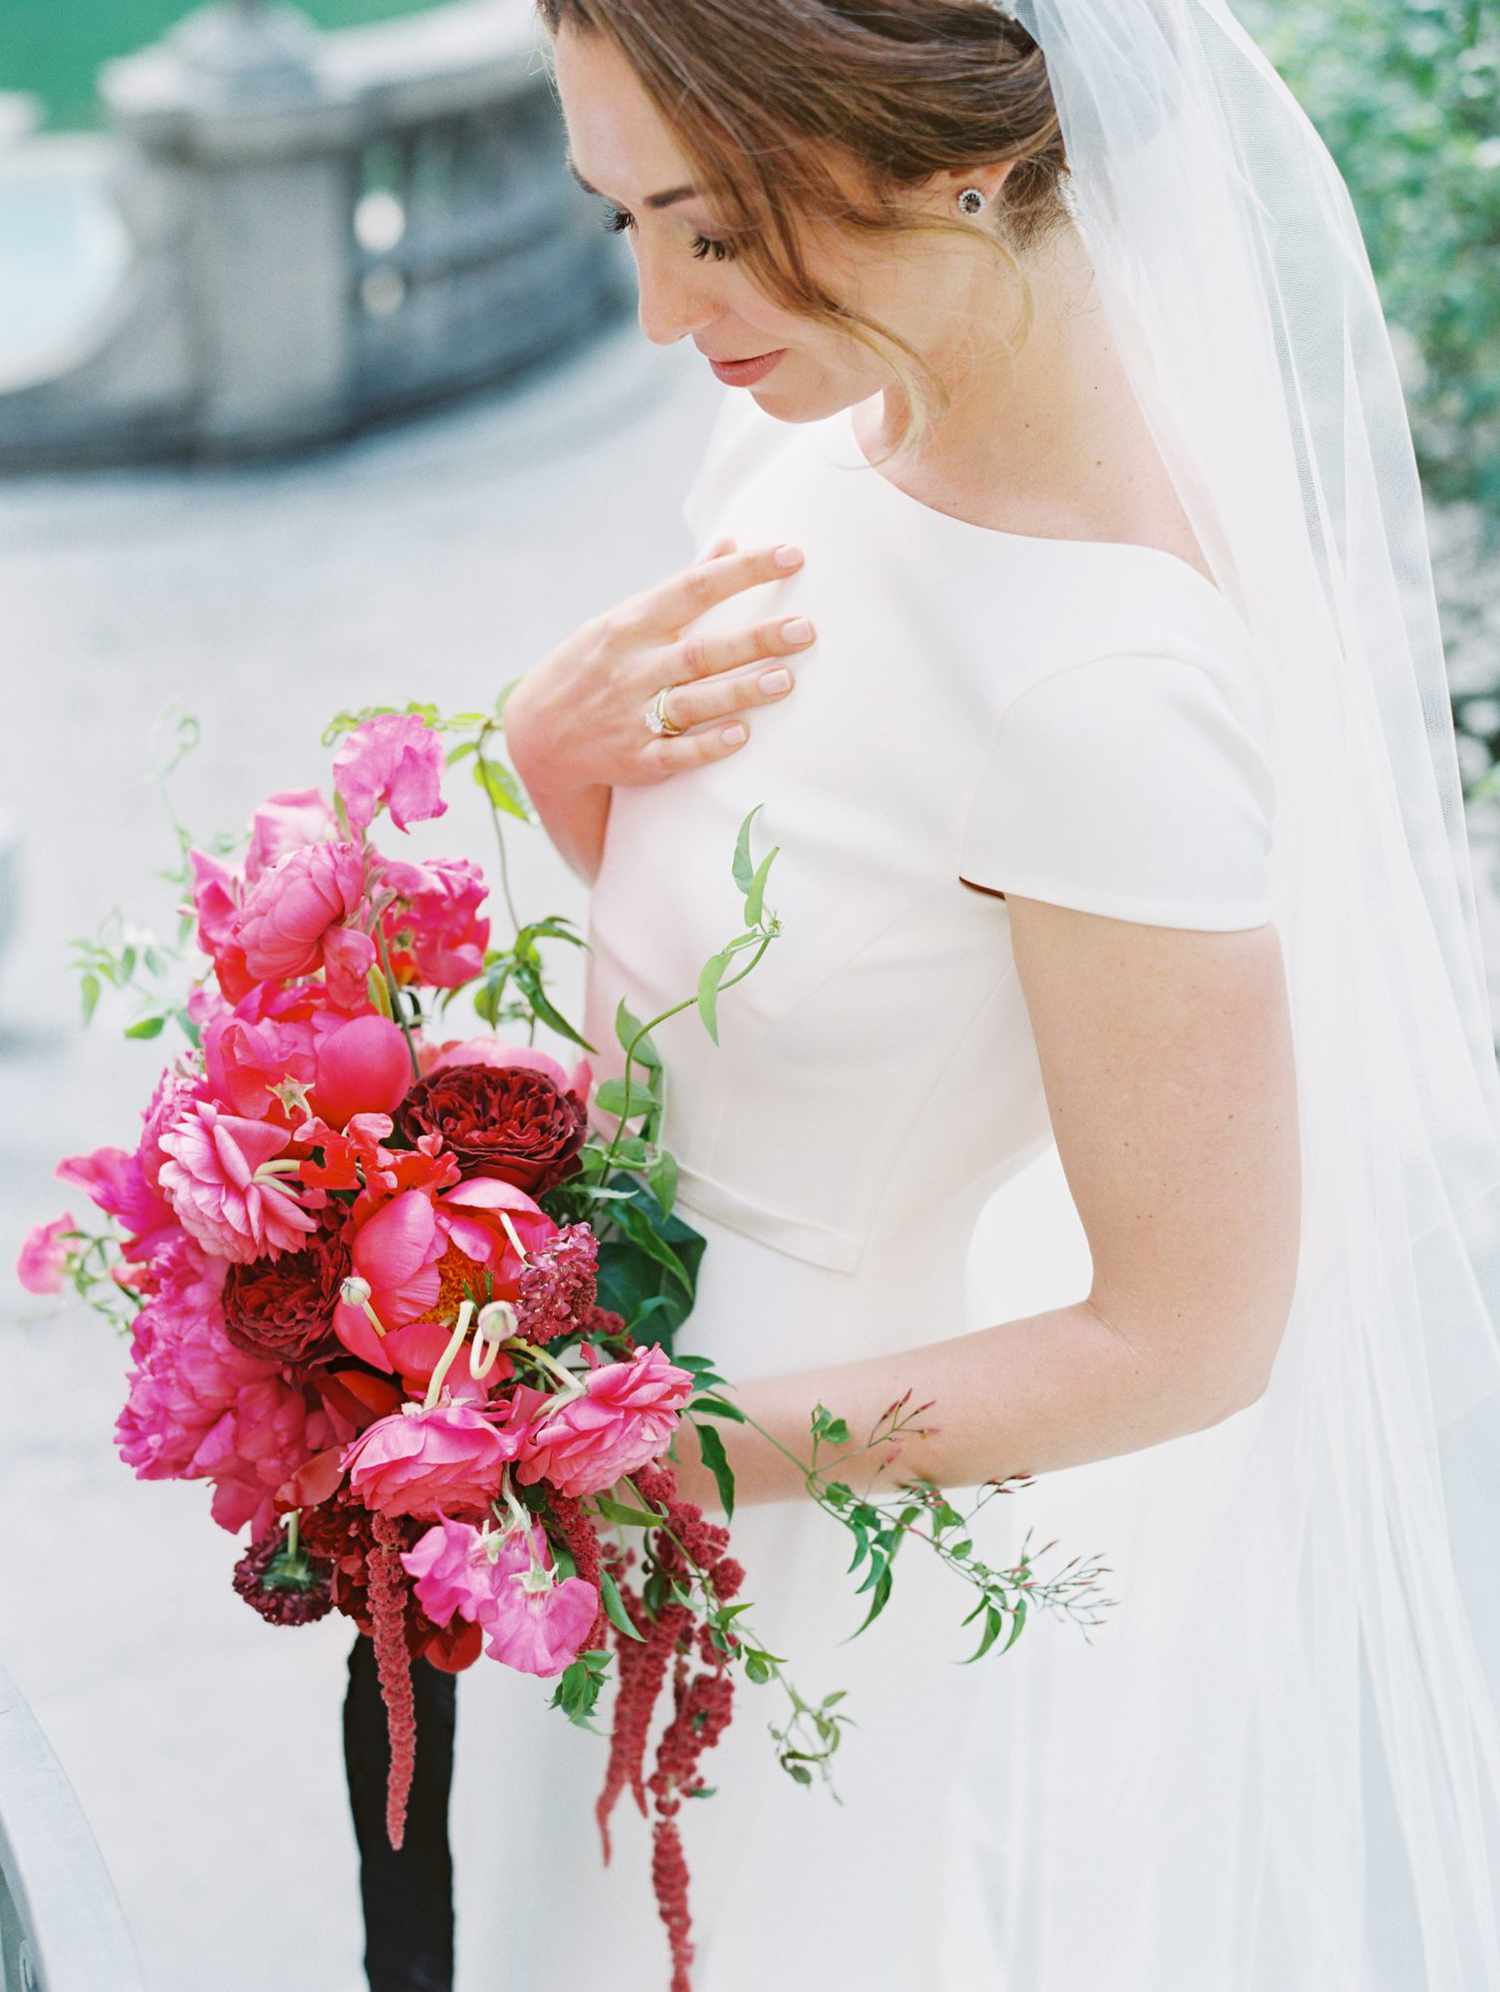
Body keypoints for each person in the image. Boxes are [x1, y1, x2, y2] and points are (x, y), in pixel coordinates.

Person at [444, 2, 1500, 1987]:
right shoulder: (807, 434)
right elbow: (791, 993)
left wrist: (670, 1455)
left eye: (716, 226)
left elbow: (1187, 1337)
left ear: (961, 157)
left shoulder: (1106, 688)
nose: (664, 314)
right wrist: (555, 764)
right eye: (621, 222)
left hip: (786, 1536)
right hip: (580, 1437)